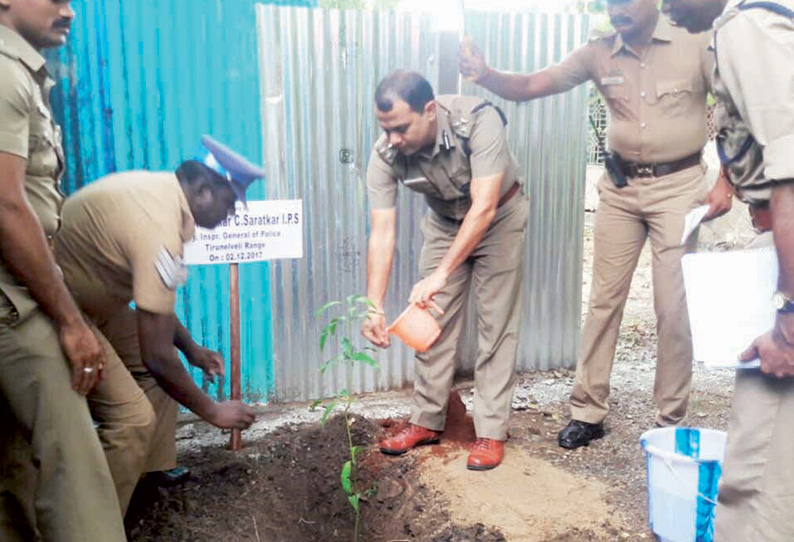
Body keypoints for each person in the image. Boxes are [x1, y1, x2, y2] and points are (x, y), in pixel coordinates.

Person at [460, 0, 734, 449]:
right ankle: (587, 411)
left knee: (672, 307)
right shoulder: (597, 52)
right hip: (620, 189)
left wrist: (726, 180)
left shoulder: (695, 39)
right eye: (610, 3)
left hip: (680, 188)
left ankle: (671, 420)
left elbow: (729, 111)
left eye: (625, 2)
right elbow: (534, 84)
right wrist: (486, 74)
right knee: (603, 300)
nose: (616, 10)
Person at [54, 135, 259, 508]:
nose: (233, 214)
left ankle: (146, 470)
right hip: (61, 311)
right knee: (132, 418)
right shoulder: (160, 225)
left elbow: (157, 308)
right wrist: (213, 411)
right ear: (203, 190)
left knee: (168, 370)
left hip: (97, 303)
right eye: (230, 203)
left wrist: (192, 349)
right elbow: (156, 356)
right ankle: (96, 521)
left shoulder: (168, 204)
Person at [665, 0, 794, 539]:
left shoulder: (749, 30)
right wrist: (731, 176)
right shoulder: (742, 30)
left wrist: (789, 317)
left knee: (760, 476)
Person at [0, 0, 127, 540]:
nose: (69, 11)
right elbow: (7, 206)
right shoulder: (4, 72)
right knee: (77, 475)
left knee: (15, 469)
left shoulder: (22, 72)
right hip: (15, 300)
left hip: (21, 289)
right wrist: (72, 323)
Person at [362, 70, 529, 470]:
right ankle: (427, 420)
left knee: (496, 324)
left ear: (430, 110)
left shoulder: (478, 121)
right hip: (444, 222)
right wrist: (374, 306)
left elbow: (484, 206)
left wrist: (440, 273)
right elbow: (382, 231)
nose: (392, 139)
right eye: (385, 129)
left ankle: (490, 429)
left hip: (499, 217)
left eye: (401, 128)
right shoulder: (386, 152)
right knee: (430, 321)